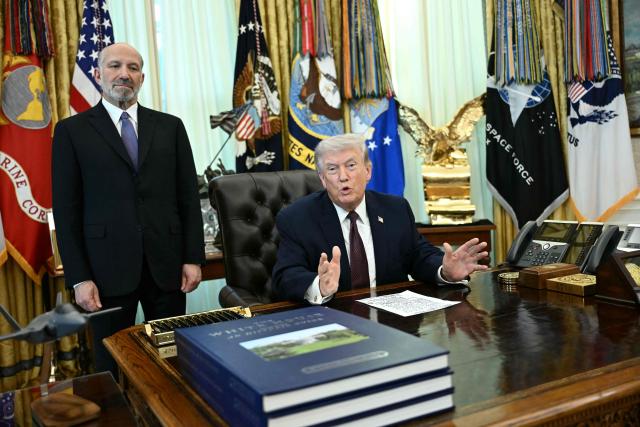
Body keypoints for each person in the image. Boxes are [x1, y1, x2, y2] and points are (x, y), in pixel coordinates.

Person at [52, 43, 204, 374]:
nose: (124, 74)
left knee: (173, 361)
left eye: (133, 68)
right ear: (98, 74)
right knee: (113, 364)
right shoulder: (71, 132)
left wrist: (192, 257)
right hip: (105, 273)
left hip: (166, 268)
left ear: (142, 77)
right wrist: (79, 278)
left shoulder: (171, 127)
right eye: (115, 66)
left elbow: (188, 197)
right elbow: (66, 212)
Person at [272, 133, 488, 304]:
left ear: (368, 171)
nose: (343, 176)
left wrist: (445, 271)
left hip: (392, 318)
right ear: (322, 178)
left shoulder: (395, 209)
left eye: (351, 165)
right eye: (332, 169)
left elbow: (418, 256)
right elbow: (285, 276)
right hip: (333, 318)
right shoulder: (297, 218)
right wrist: (319, 286)